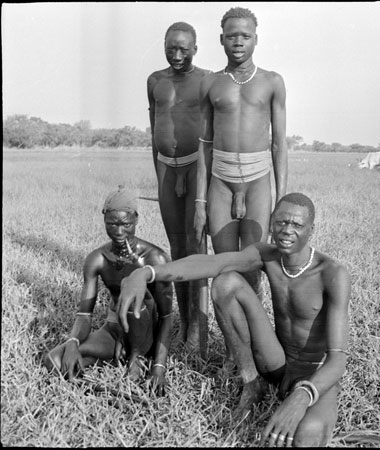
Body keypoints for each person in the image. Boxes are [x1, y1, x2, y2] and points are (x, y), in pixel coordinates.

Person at [118, 193, 351, 447]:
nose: (287, 231)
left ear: (311, 230)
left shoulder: (332, 273)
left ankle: (300, 402)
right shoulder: (267, 255)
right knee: (225, 282)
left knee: (305, 436)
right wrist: (147, 272)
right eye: (281, 222)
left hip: (314, 373)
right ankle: (252, 384)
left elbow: (338, 359)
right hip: (277, 362)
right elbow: (213, 263)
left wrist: (303, 395)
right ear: (271, 223)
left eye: (297, 225)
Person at [194, 6, 288, 299]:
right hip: (221, 180)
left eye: (245, 36)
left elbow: (279, 144)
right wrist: (200, 201)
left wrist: (281, 200)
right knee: (223, 267)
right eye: (232, 36)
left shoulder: (272, 81)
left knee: (252, 264)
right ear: (221, 39)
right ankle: (231, 339)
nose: (238, 42)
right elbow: (204, 144)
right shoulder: (210, 82)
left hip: (258, 179)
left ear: (256, 39)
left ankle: (253, 339)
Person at [44, 186, 173, 395]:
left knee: (130, 285)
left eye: (126, 224)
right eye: (112, 224)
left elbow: (167, 316)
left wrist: (159, 368)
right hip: (113, 331)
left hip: (145, 335)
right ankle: (103, 373)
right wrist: (72, 343)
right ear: (104, 220)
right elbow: (85, 314)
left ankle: (136, 358)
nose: (120, 232)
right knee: (53, 360)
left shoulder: (154, 258)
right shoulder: (97, 259)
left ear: (136, 219)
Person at [147, 22, 212, 351]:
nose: (176, 54)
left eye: (183, 49)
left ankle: (199, 333)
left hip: (195, 168)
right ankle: (184, 324)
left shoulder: (207, 80)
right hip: (166, 171)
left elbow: (213, 135)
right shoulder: (154, 81)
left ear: (195, 49)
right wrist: (159, 174)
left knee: (196, 248)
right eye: (170, 47)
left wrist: (203, 183)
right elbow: (154, 129)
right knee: (176, 249)